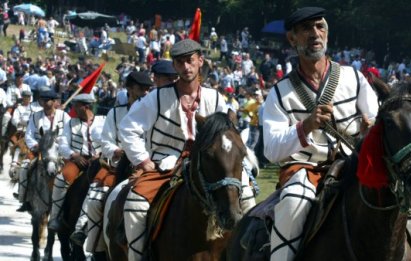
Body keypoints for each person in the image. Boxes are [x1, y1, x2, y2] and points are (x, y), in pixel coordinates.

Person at [119, 39, 256, 261]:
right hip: (164, 165)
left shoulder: (215, 97)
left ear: (200, 61)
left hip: (208, 164)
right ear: (174, 66)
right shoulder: (156, 97)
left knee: (247, 195)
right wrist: (144, 160)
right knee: (135, 203)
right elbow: (127, 128)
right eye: (180, 62)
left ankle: (247, 250)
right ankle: (139, 256)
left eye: (190, 61)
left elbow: (228, 137)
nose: (186, 67)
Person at [262, 7, 379, 260]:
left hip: (353, 165)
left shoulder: (354, 77)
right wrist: (306, 127)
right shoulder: (279, 93)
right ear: (292, 39)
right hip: (305, 170)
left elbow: (377, 119)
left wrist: (371, 130)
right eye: (306, 29)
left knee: (405, 204)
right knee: (293, 201)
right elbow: (271, 151)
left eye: (320, 27)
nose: (315, 33)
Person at [69, 72, 153, 257]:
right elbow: (106, 142)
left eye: (148, 89)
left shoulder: (154, 112)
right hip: (117, 167)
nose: (146, 93)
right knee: (95, 200)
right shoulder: (115, 113)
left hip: (148, 167)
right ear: (130, 89)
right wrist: (117, 151)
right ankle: (95, 246)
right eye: (141, 89)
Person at [48, 92, 106, 231]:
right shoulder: (71, 123)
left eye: (76, 106)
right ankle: (55, 217)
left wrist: (100, 154)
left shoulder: (103, 120)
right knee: (61, 178)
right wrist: (74, 155)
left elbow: (110, 141)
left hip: (101, 161)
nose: (73, 109)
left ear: (86, 107)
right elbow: (63, 144)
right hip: (78, 160)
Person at [17, 90, 70, 212]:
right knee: (25, 166)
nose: (44, 103)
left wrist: (60, 145)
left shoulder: (64, 116)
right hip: (39, 150)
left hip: (59, 151)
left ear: (54, 101)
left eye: (47, 100)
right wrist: (36, 145)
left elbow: (68, 134)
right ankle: (24, 198)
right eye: (42, 100)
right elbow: (29, 135)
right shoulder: (35, 116)